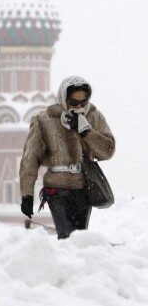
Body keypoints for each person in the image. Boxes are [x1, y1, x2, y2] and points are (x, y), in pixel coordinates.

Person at [19, 76, 116, 239]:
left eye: (83, 102)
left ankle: (66, 253)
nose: (78, 107)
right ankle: (57, 244)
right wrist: (27, 194)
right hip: (56, 188)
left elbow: (107, 151)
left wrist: (87, 132)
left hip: (83, 187)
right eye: (73, 102)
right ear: (63, 98)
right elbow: (30, 158)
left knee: (78, 237)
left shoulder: (94, 117)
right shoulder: (45, 119)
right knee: (66, 235)